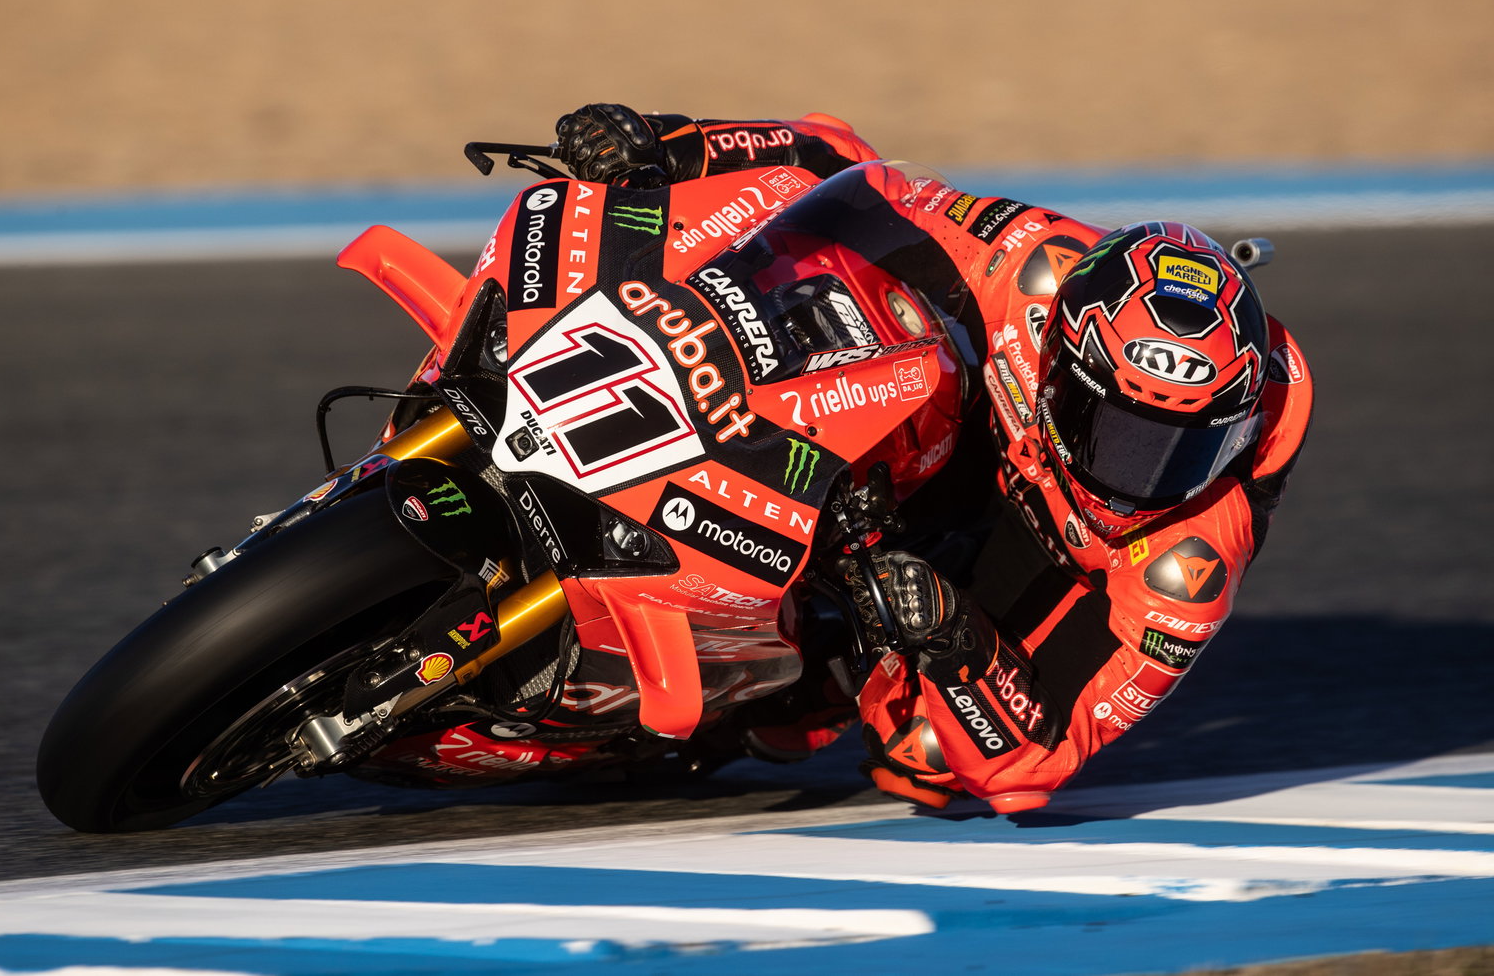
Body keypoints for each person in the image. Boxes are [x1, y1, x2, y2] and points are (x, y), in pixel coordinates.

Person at [551, 104, 1314, 813]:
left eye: (1181, 451)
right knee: (844, 272)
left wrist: (957, 640)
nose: (1136, 476)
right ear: (1058, 357)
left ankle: (786, 678)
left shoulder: (1188, 566)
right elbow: (842, 163)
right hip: (969, 434)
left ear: (1236, 435)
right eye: (1114, 429)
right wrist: (668, 147)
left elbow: (1036, 766)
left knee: (922, 753)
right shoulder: (1031, 264)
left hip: (1045, 556)